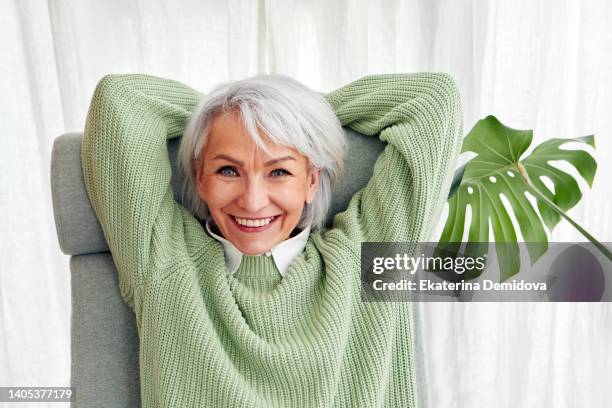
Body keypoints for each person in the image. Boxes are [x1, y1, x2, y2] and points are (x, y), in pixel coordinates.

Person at [81, 72, 463, 407]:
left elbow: (433, 99)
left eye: (278, 171)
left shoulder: (366, 257)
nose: (252, 200)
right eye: (228, 170)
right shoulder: (161, 257)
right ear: (200, 178)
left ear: (311, 180)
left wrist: (296, 114)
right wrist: (224, 110)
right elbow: (121, 100)